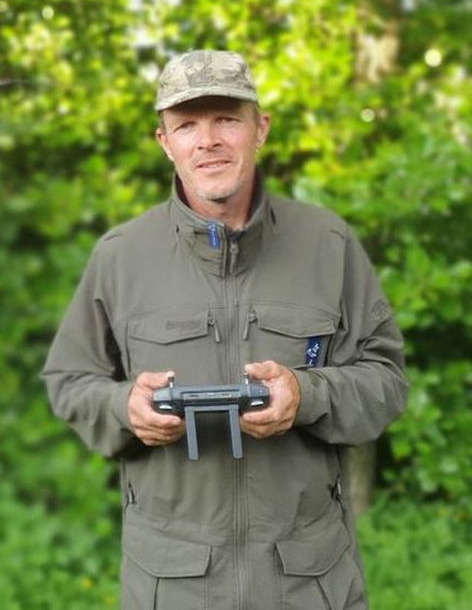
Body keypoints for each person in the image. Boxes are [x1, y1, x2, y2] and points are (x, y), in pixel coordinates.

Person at [41, 50, 407, 610]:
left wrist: (307, 394)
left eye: (226, 119)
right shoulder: (120, 257)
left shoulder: (327, 245)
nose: (207, 140)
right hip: (174, 585)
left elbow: (385, 382)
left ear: (260, 128)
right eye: (187, 124)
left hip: (308, 583)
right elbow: (69, 379)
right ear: (165, 141)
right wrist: (123, 409)